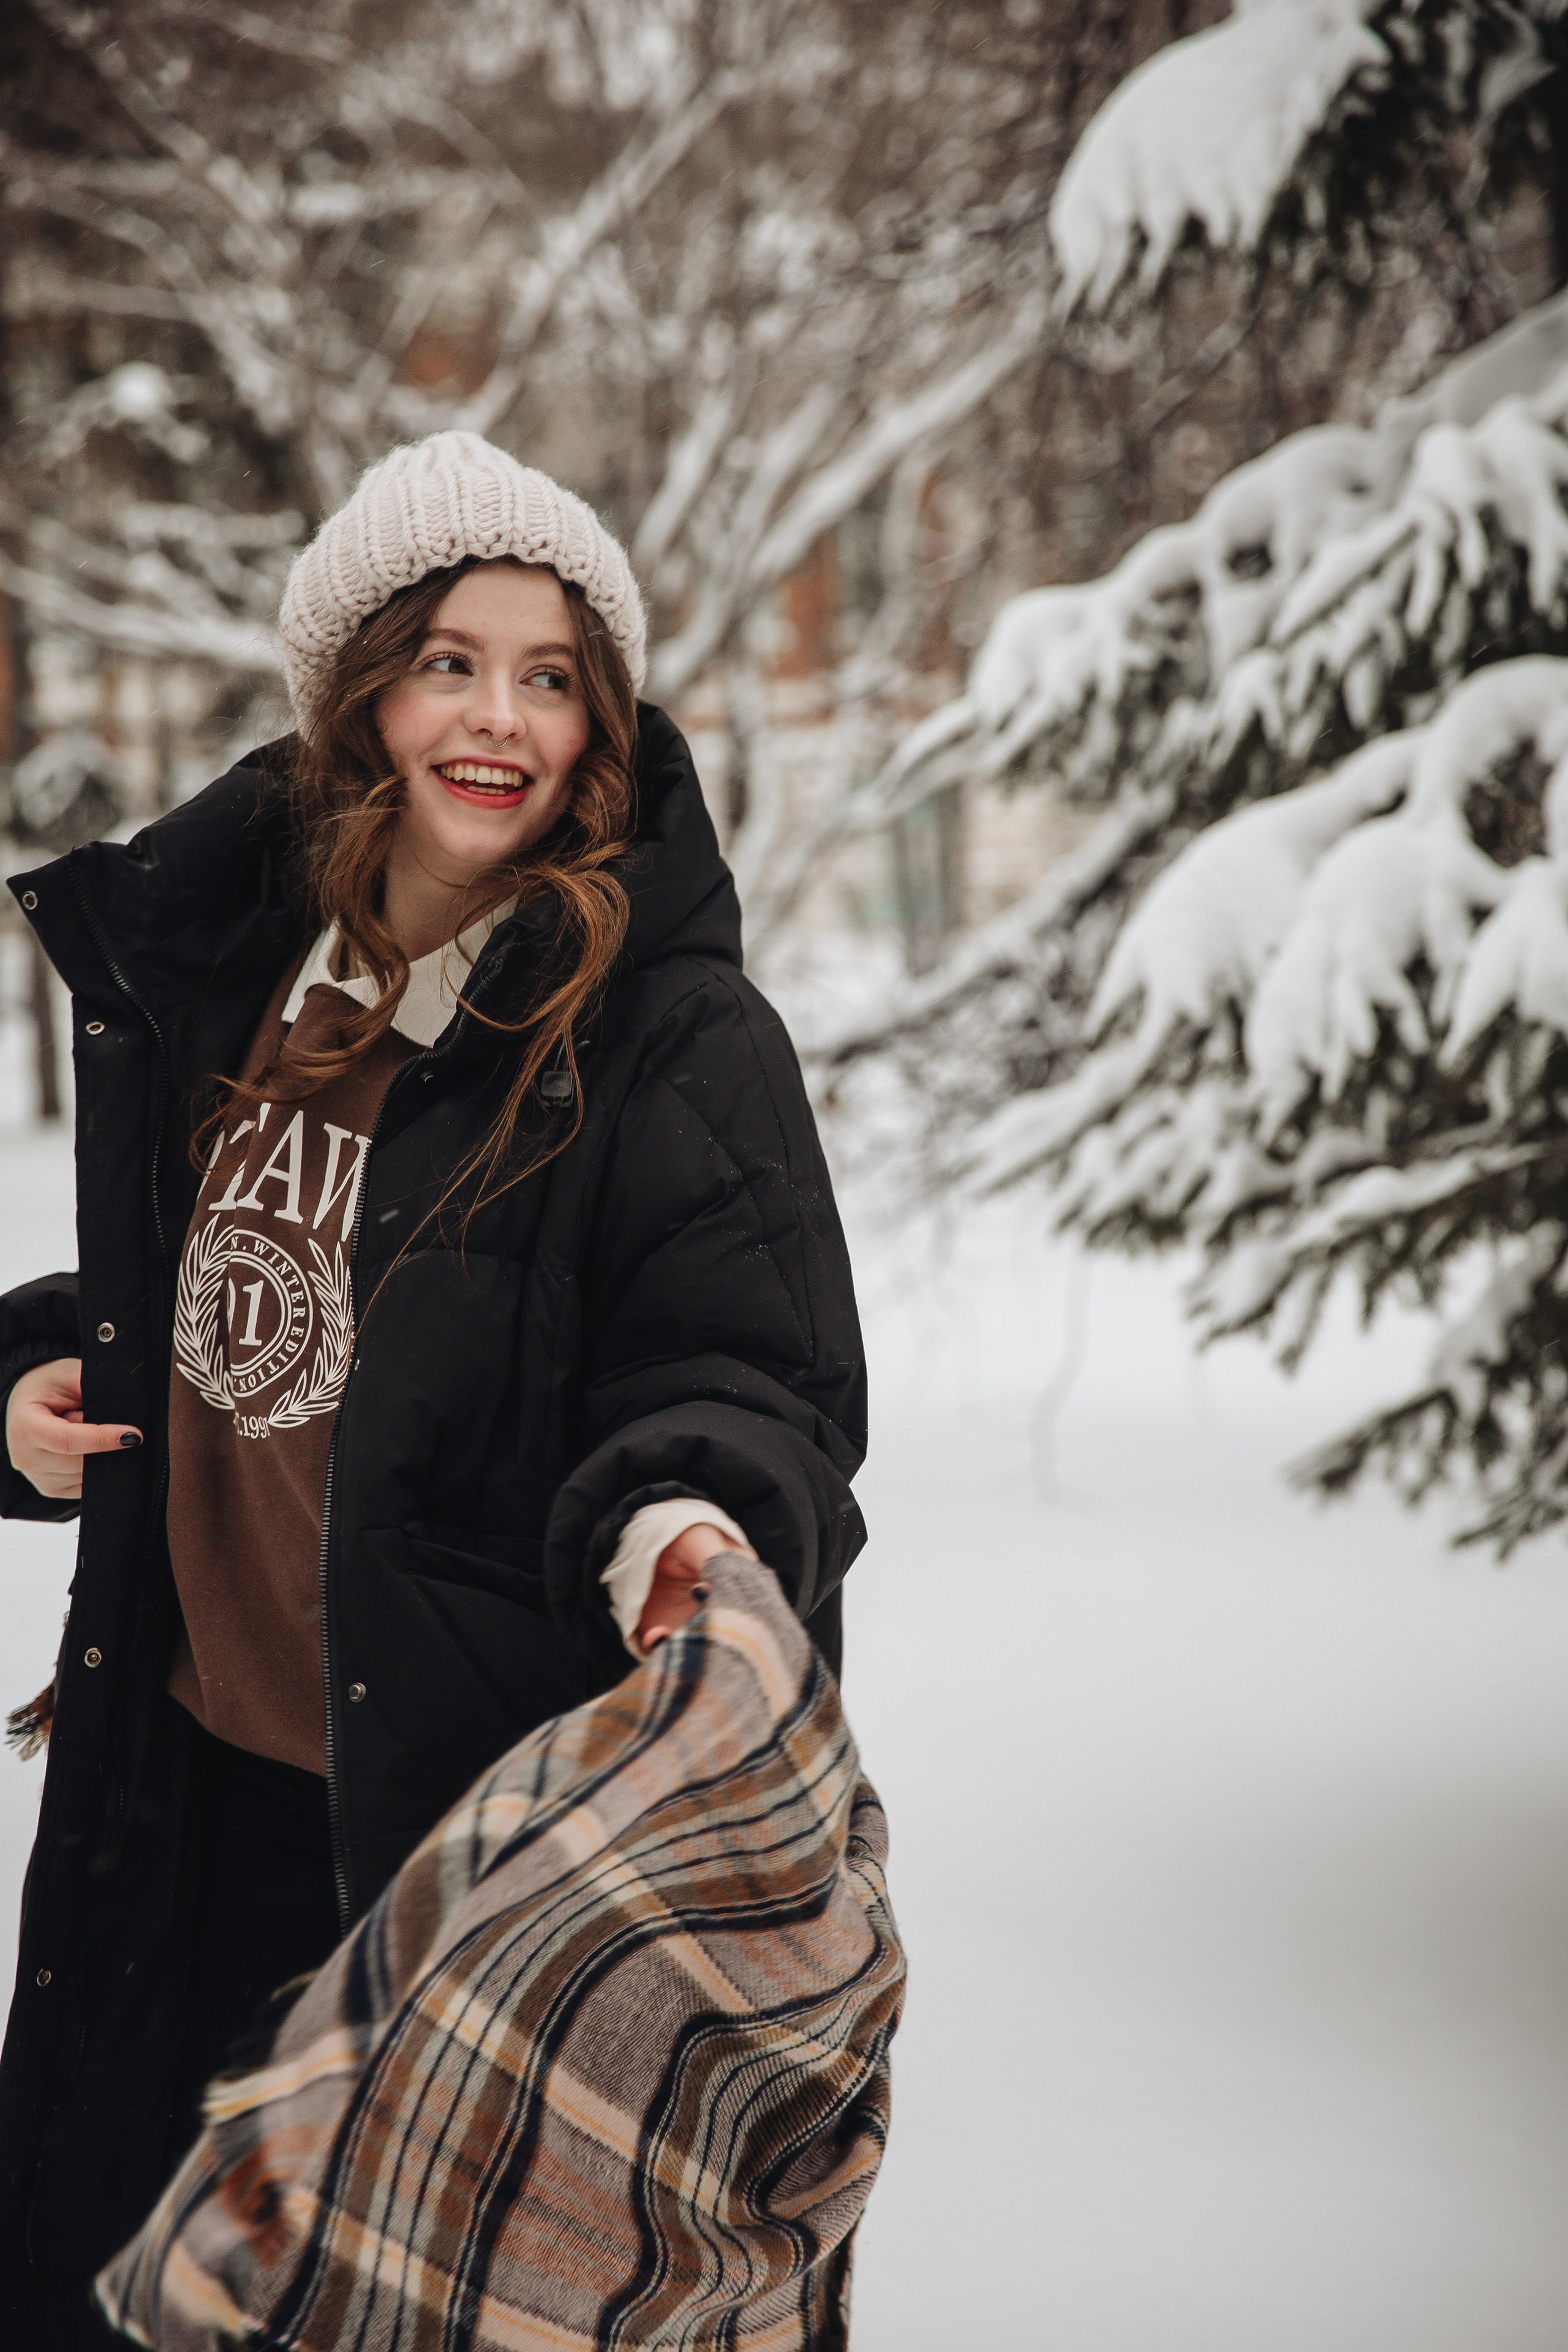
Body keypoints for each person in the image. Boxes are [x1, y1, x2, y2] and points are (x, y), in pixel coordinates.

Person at [0, 431, 867, 2350]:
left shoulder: (668, 1030)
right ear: (361, 689)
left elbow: (739, 1369)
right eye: (450, 660)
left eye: (552, 675)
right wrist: (29, 1383)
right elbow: (245, 1291)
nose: (501, 718)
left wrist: (684, 1518)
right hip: (180, 1801)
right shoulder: (241, 970)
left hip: (461, 1853)